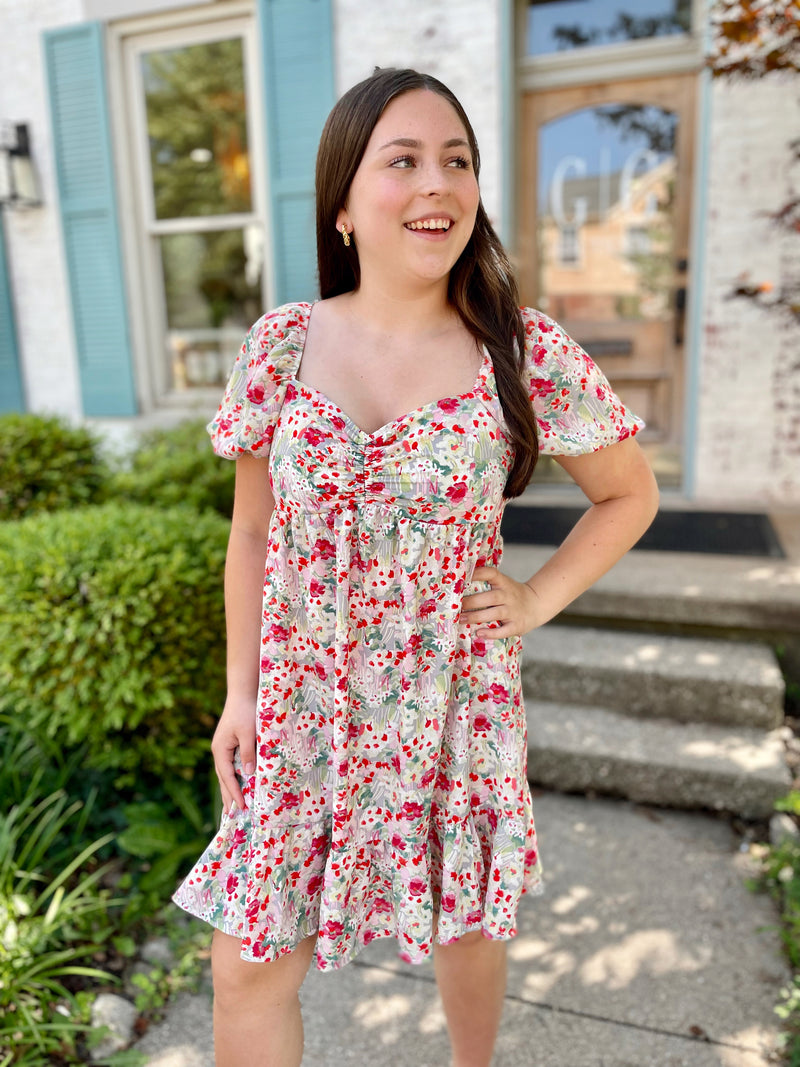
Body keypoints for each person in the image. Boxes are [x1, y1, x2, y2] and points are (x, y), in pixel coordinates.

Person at [171, 67, 659, 1067]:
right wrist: (240, 694)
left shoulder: (519, 352)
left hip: (451, 696)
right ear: (343, 205)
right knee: (245, 961)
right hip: (304, 702)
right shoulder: (283, 346)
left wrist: (535, 598)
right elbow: (254, 534)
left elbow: (627, 492)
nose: (438, 182)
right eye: (403, 161)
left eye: (457, 160)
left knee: (464, 917)